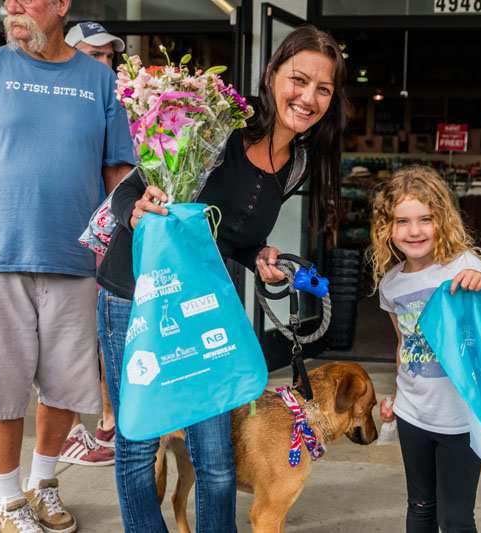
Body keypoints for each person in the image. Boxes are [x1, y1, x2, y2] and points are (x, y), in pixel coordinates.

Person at [95, 25, 347, 533]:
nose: (309, 97)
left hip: (206, 307)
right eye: (299, 80)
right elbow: (129, 190)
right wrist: (139, 210)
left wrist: (260, 258)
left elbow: (232, 237)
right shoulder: (217, 128)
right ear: (273, 74)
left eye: (323, 89)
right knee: (139, 441)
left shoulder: (295, 163)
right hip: (136, 294)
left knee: (215, 455)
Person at [0, 0, 135, 531]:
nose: (11, 7)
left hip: (76, 260)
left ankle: (43, 484)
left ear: (62, 5)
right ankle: (6, 501)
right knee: (1, 387)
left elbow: (117, 168)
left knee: (66, 385)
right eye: (6, 0)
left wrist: (133, 238)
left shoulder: (97, 81)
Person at [372, 165, 481, 533]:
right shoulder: (391, 284)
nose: (414, 230)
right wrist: (396, 394)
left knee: (455, 519)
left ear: (442, 219)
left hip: (460, 417)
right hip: (412, 414)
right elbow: (404, 344)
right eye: (402, 221)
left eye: (425, 218)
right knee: (420, 507)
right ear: (386, 227)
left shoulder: (465, 266)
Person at [54, 21, 127, 467]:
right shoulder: (63, 104)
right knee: (75, 335)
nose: (104, 64)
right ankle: (83, 425)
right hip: (69, 241)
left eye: (109, 57)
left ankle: (109, 419)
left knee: (107, 331)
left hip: (113, 235)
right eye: (93, 54)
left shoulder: (120, 106)